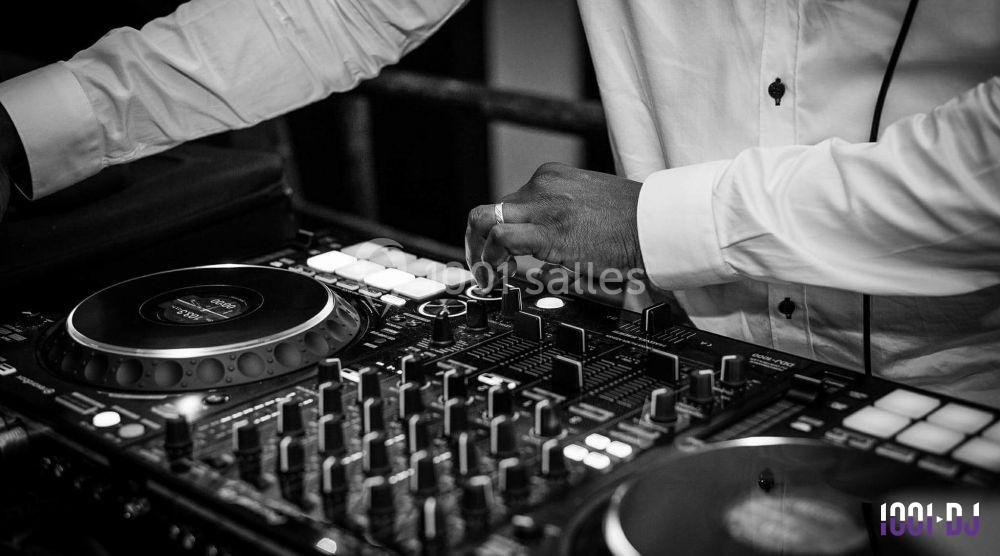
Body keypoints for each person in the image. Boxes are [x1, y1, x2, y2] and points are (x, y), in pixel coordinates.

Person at [0, 0, 998, 405]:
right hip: (696, 382)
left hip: (964, 422)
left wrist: (663, 225)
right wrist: (20, 128)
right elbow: (331, 9)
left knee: (924, 527)